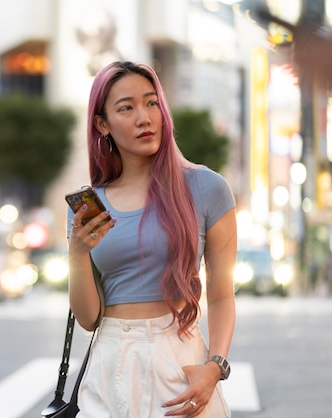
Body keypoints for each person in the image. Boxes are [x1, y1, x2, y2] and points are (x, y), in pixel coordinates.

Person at [67, 61, 236, 417]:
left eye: (151, 102)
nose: (143, 117)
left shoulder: (206, 188)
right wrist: (77, 254)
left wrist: (214, 367)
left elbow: (221, 294)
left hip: (178, 359)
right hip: (110, 360)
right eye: (126, 108)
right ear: (102, 124)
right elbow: (88, 318)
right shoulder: (91, 204)